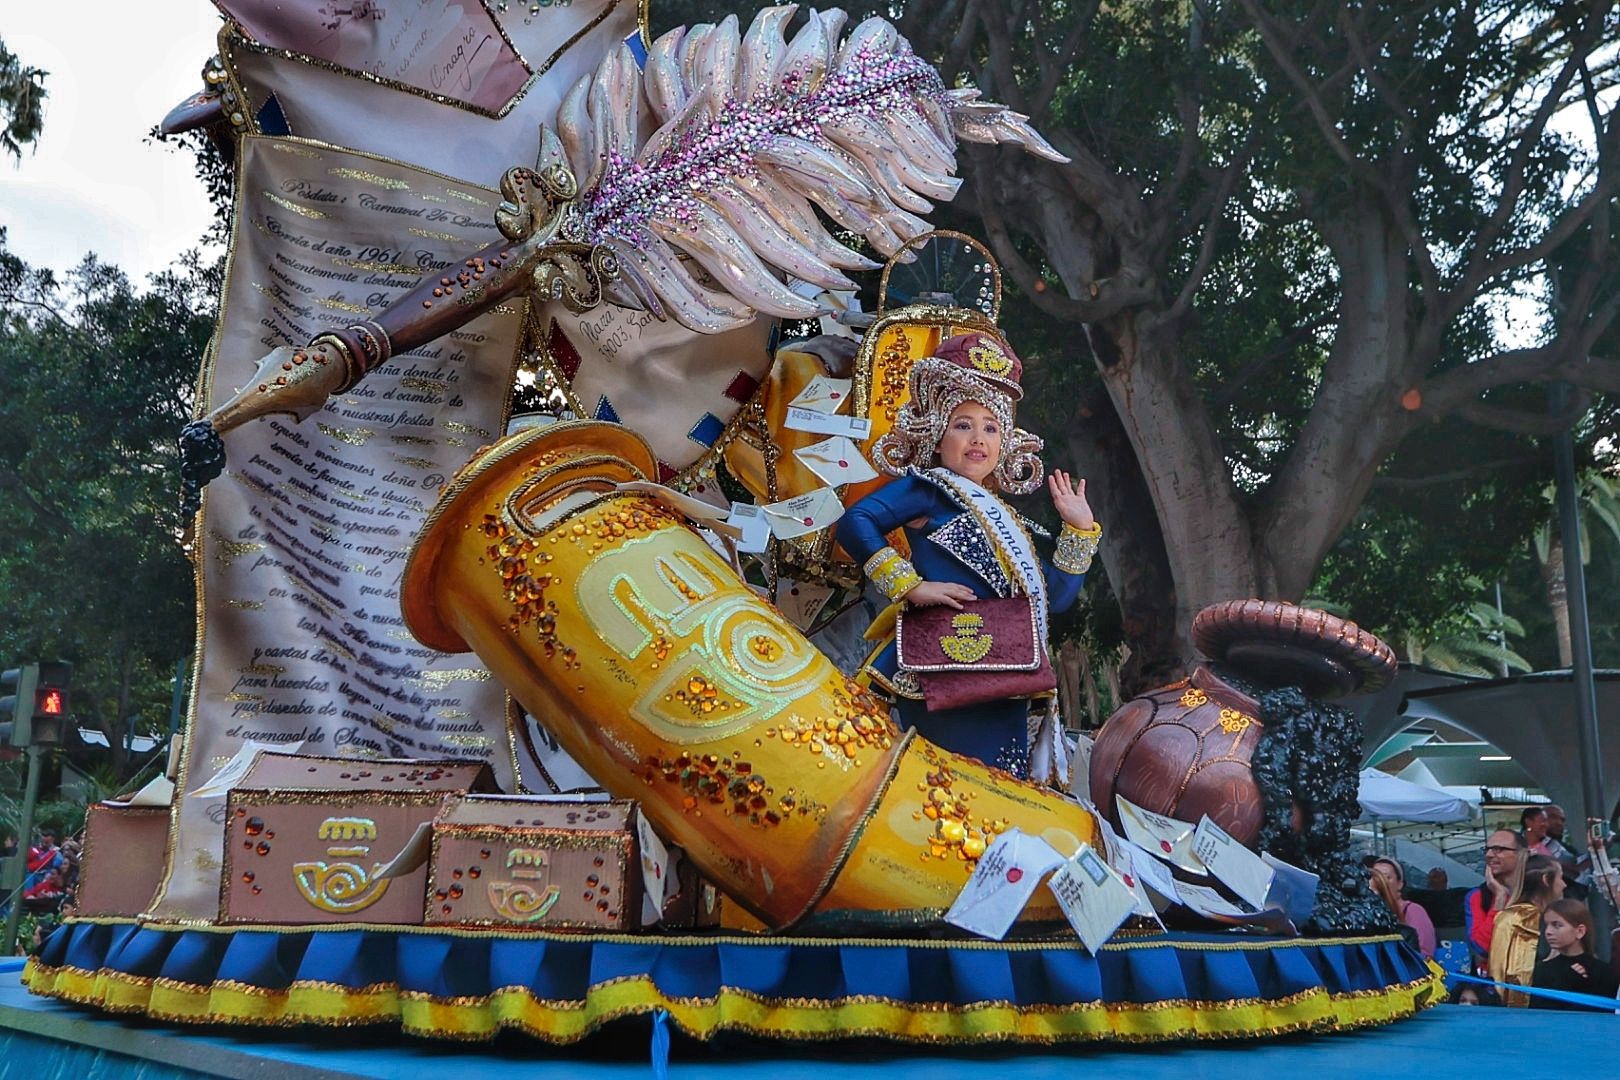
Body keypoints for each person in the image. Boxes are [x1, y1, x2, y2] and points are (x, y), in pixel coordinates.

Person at [836, 332, 1101, 775]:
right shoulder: (928, 489)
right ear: (938, 438)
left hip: (1008, 676)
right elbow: (855, 522)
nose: (978, 437)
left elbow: (1054, 599)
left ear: (1003, 445)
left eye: (991, 427)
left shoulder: (1011, 522)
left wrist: (1078, 529)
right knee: (949, 793)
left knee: (1000, 797)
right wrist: (910, 585)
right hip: (943, 667)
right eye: (963, 424)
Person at [1489, 853, 1564, 1006]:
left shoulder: (1553, 919)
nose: (1564, 885)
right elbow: (1500, 973)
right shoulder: (1514, 919)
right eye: (1561, 878)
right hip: (1522, 1011)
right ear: (1545, 880)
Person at [1531, 898, 1619, 1011]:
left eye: (1557, 925)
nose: (1548, 931)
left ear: (1580, 931)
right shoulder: (1542, 970)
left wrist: (1581, 983)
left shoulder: (1602, 971)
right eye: (1547, 925)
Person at [1466, 829, 1526, 972]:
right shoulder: (1477, 896)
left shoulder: (1534, 891)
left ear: (1520, 854)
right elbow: (1481, 948)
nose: (1489, 855)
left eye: (1498, 849)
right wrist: (1499, 899)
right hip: (1493, 981)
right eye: (1487, 849)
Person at [1370, 858, 1437, 959]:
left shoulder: (1413, 911)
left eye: (1387, 877)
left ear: (1400, 884)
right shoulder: (1368, 912)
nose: (1381, 882)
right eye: (1375, 877)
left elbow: (1425, 954)